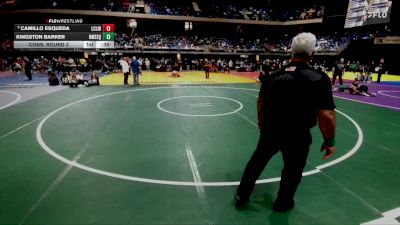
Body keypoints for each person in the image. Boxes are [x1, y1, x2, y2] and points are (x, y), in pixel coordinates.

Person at [235, 32, 336, 212]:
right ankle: (283, 203)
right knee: (292, 170)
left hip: (271, 129)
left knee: (257, 161)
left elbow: (261, 102)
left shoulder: (273, 76)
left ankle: (242, 194)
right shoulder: (318, 79)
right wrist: (329, 141)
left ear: (291, 52)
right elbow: (326, 115)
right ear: (312, 54)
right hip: (298, 134)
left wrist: (261, 121)